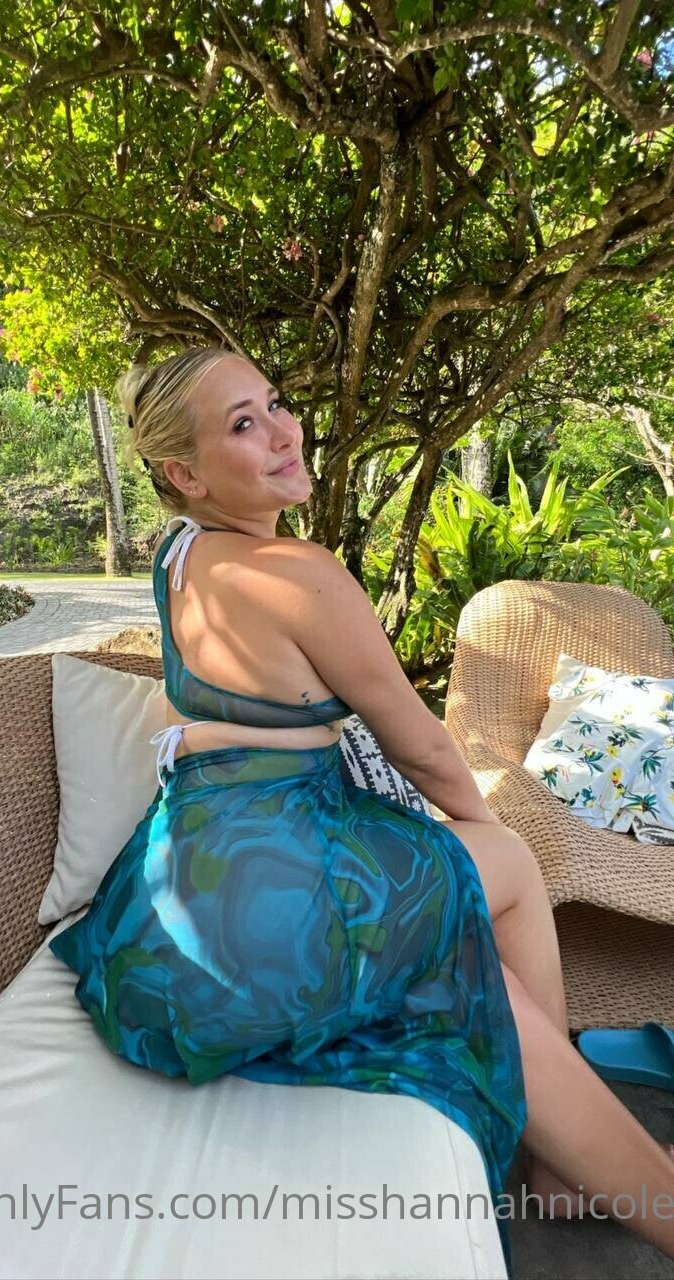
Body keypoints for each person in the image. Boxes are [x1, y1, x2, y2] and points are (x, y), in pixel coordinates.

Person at [49, 346, 674, 1269]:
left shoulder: (178, 557)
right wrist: (479, 825)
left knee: (485, 924)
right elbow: (421, 747)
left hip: (186, 892)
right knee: (502, 878)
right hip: (268, 891)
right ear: (185, 474)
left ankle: (564, 1162)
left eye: (274, 403)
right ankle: (582, 1174)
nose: (283, 432)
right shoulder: (298, 573)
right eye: (243, 424)